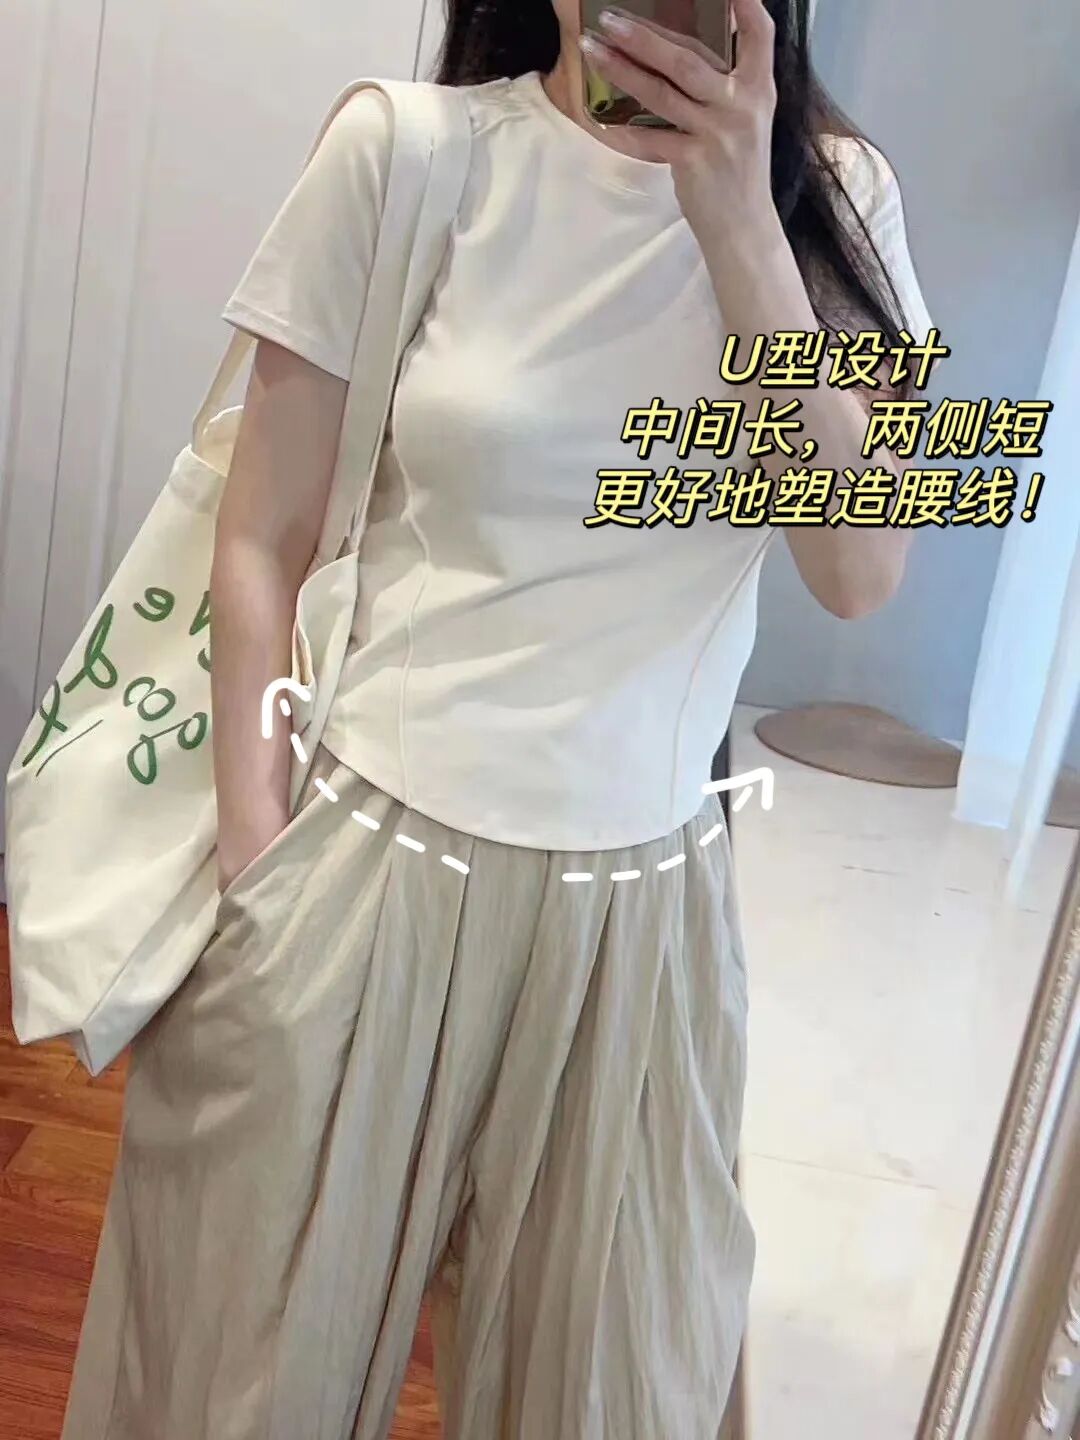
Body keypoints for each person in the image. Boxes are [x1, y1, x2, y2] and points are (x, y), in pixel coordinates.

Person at [61, 1, 935, 1436]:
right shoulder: (407, 152)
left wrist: (741, 225)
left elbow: (862, 570)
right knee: (238, 1394)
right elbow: (261, 537)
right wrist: (259, 873)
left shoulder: (841, 202)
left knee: (615, 1391)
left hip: (640, 924)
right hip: (357, 879)